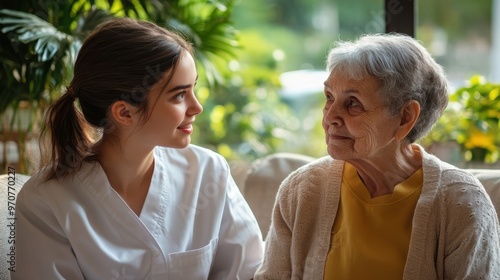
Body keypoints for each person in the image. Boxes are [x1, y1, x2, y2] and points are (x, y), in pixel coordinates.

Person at [12, 18, 263, 280]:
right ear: (124, 112)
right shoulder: (45, 202)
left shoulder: (209, 172)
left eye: (193, 89)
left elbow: (252, 271)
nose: (197, 107)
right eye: (179, 95)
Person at [254, 33, 500, 279]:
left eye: (353, 103)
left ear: (405, 117)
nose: (330, 117)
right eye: (329, 97)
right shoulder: (301, 190)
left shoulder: (462, 204)